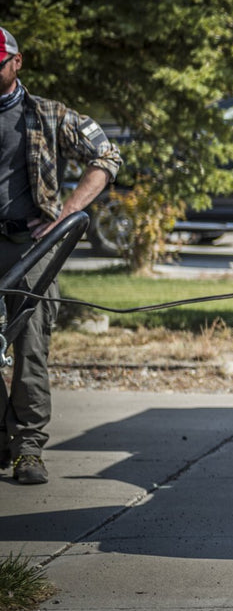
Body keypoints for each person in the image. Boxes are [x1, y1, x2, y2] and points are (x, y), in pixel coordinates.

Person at [0, 26, 122, 485]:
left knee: (30, 349)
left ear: (17, 63)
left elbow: (107, 155)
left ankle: (28, 449)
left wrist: (67, 212)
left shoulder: (47, 115)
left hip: (32, 250)